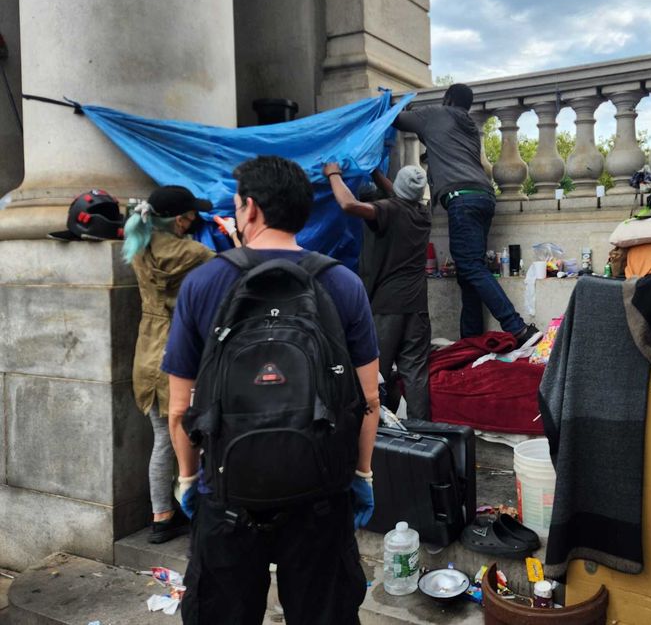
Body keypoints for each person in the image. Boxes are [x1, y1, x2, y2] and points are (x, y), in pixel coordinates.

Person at [163, 156, 380, 625]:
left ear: (252, 209)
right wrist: (361, 476)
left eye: (237, 205)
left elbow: (180, 407)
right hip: (321, 492)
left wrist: (188, 480)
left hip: (227, 494)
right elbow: (370, 401)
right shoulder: (342, 282)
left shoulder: (203, 283)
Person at [394, 83, 538, 343]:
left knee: (470, 266)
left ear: (447, 98)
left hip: (463, 199)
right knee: (468, 271)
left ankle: (517, 327)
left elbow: (396, 119)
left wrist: (389, 102)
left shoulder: (435, 114)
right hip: (483, 196)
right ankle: (471, 338)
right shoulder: (469, 126)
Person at [122, 185, 218, 544]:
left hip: (146, 350)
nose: (196, 221)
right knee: (181, 436)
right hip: (177, 352)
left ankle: (164, 512)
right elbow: (227, 270)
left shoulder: (137, 246)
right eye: (192, 215)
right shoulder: (196, 252)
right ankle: (169, 514)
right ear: (180, 220)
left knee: (162, 435)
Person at [325, 162, 432, 420]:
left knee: (376, 373)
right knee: (415, 374)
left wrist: (334, 174)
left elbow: (349, 205)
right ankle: (423, 438)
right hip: (417, 306)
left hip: (387, 307)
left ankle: (377, 433)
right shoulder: (423, 213)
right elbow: (399, 191)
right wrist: (374, 171)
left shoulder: (389, 210)